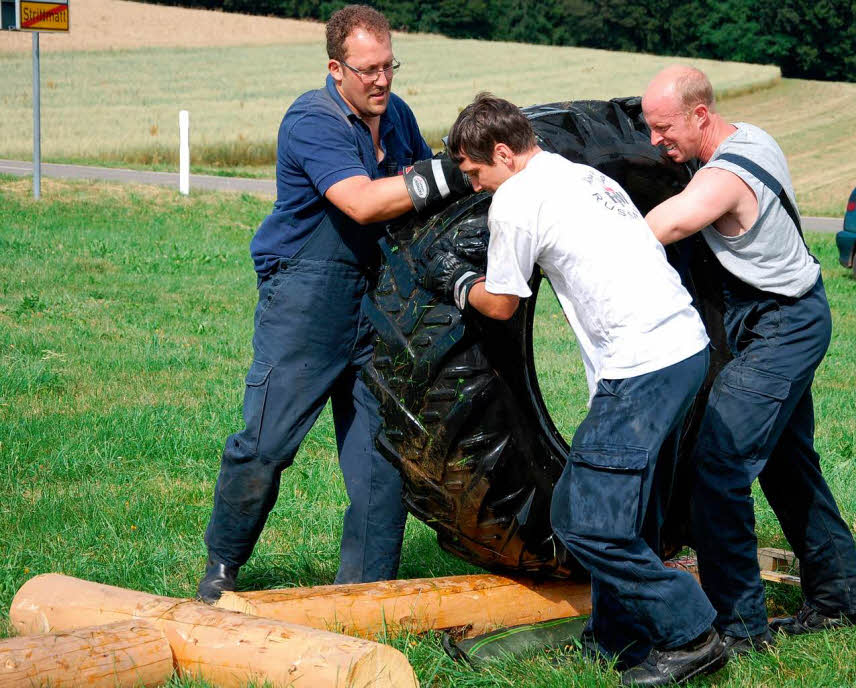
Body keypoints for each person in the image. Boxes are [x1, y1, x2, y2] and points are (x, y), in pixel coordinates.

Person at [426, 92, 727, 687]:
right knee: (627, 510)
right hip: (684, 347)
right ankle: (615, 637)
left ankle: (691, 635)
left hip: (642, 365)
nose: (475, 185)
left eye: (475, 171)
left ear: (504, 154)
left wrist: (456, 281)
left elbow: (503, 303)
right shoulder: (580, 174)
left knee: (584, 518)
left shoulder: (515, 200)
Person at [197, 4, 472, 603]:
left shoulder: (396, 116)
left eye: (388, 66)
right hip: (305, 300)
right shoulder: (311, 119)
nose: (381, 80)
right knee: (266, 445)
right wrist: (455, 172)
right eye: (367, 69)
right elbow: (366, 204)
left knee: (382, 460)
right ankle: (222, 567)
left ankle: (363, 596)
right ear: (335, 68)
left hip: (377, 304)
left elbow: (419, 195)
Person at [641, 65, 856, 654]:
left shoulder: (722, 179)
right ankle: (840, 599)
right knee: (788, 465)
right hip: (788, 313)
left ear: (700, 115)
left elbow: (664, 225)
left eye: (664, 128)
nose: (654, 142)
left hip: (782, 325)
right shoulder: (753, 135)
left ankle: (740, 630)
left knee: (718, 467)